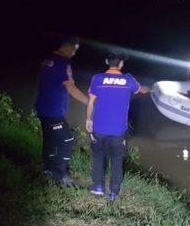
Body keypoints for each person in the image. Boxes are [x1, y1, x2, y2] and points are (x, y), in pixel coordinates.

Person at [85, 52, 149, 201]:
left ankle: (98, 187)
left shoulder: (97, 78)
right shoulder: (128, 80)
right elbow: (141, 90)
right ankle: (113, 192)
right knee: (117, 160)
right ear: (121, 64)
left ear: (107, 61)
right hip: (118, 130)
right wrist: (149, 89)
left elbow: (91, 102)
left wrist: (88, 119)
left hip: (99, 127)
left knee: (98, 156)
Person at [35, 36, 88, 186]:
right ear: (64, 45)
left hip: (42, 106)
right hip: (53, 110)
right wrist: (88, 102)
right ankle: (62, 175)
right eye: (73, 48)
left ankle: (48, 170)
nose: (74, 53)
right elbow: (71, 88)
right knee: (67, 139)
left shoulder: (47, 60)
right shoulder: (64, 64)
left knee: (50, 140)